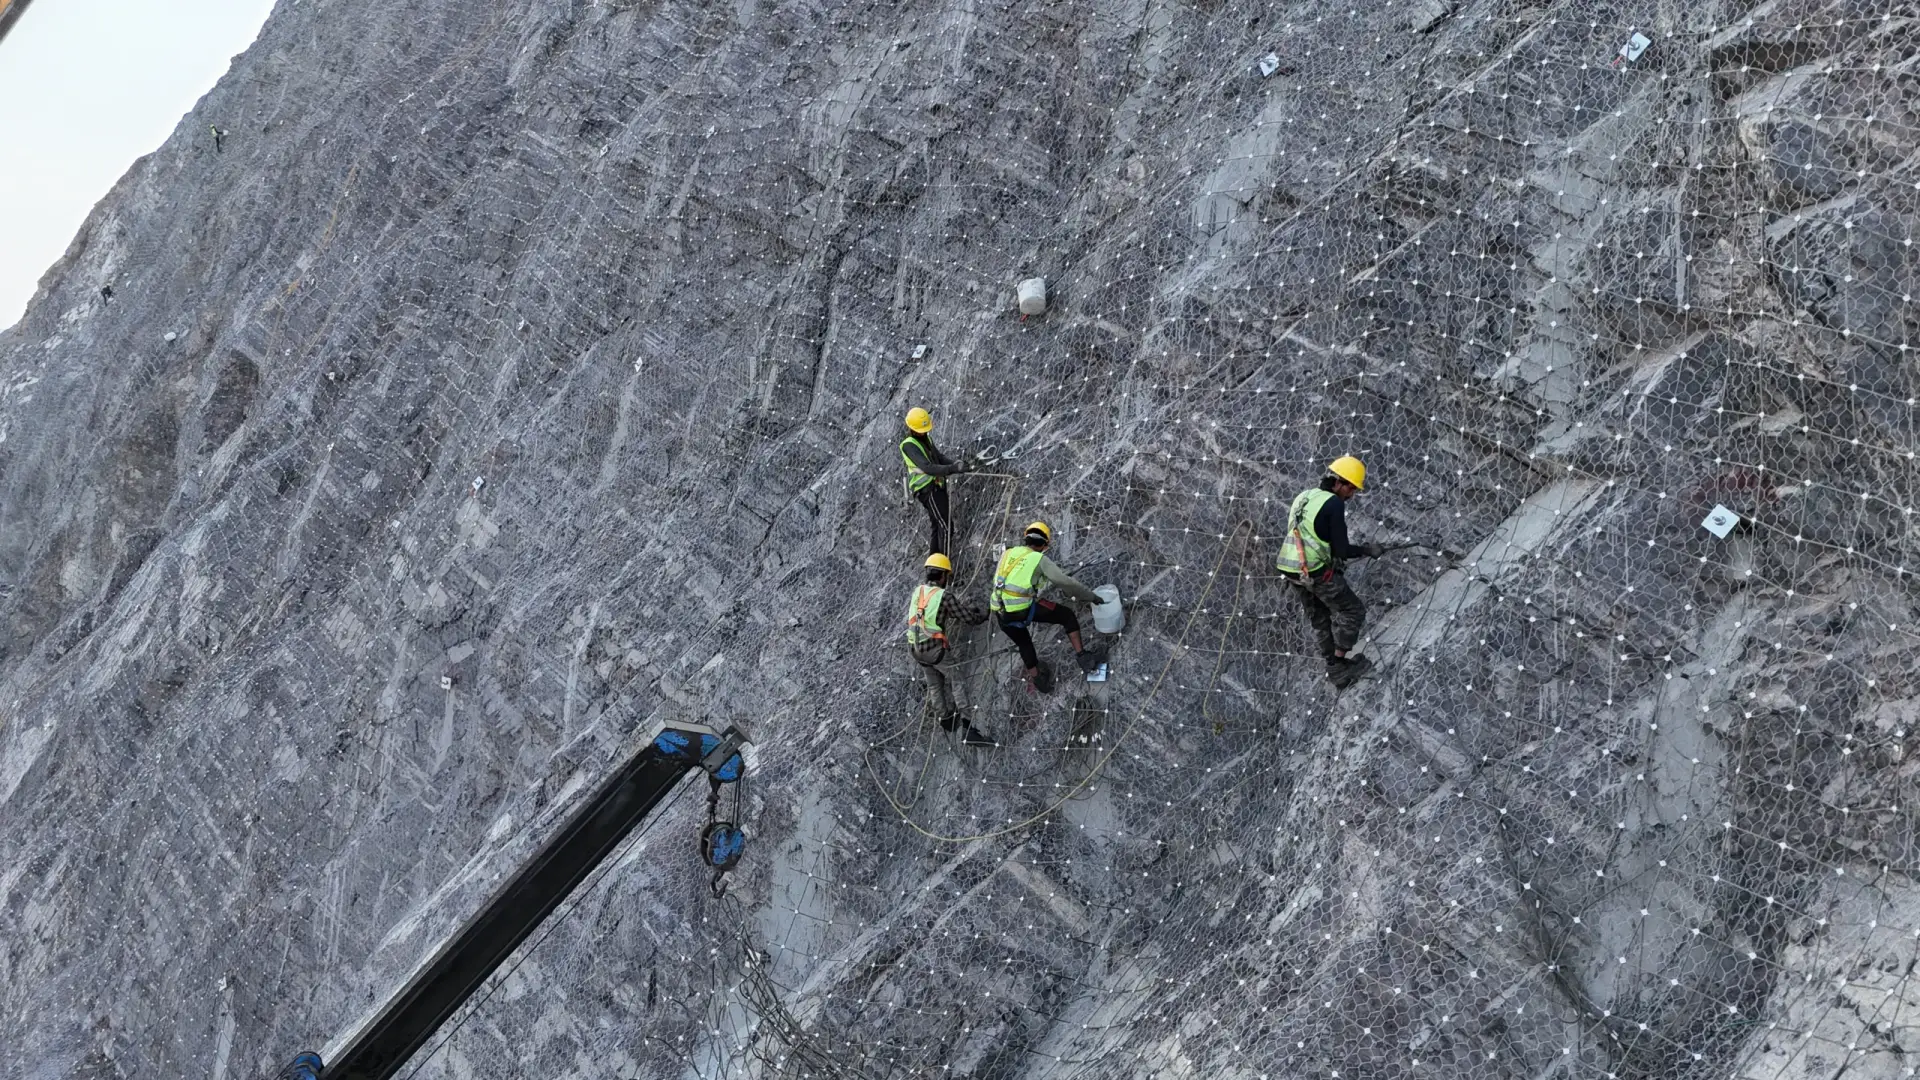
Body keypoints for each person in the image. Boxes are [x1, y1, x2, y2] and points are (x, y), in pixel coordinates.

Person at [1275, 455, 1385, 688]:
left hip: (1291, 568)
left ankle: (1334, 669)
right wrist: (1367, 550)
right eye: (1351, 488)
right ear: (1339, 482)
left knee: (1320, 618)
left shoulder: (1305, 496)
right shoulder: (1334, 504)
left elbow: (1305, 535)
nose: (1351, 494)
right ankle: (1338, 662)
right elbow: (1342, 549)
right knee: (1352, 610)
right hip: (1314, 571)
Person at [990, 521, 1102, 693]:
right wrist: (1091, 597)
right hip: (1021, 609)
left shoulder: (1008, 552)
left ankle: (1039, 680)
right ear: (1044, 544)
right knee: (1066, 616)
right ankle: (1083, 658)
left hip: (999, 610)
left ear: (1026, 539)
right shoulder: (1038, 558)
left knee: (1024, 643)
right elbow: (1064, 582)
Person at [905, 553, 993, 745]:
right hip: (935, 651)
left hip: (915, 648)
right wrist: (983, 615)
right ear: (943, 576)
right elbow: (966, 617)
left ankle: (945, 718)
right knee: (957, 678)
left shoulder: (917, 591)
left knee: (934, 684)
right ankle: (968, 726)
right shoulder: (944, 596)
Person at [900, 407, 968, 555]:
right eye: (921, 429)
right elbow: (927, 467)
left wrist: (956, 465)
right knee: (945, 526)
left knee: (938, 526)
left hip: (936, 486)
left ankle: (934, 568)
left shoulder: (926, 439)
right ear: (912, 429)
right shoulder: (908, 445)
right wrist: (952, 469)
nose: (924, 432)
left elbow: (939, 458)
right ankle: (942, 566)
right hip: (927, 489)